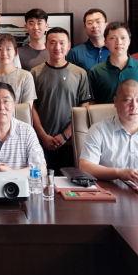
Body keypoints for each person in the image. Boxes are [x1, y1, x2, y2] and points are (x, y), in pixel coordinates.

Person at [31, 27, 92, 170]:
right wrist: (42, 135)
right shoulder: (35, 73)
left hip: (71, 141)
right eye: (52, 42)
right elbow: (31, 107)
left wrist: (65, 135)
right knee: (41, 178)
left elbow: (84, 106)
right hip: (41, 141)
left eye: (62, 43)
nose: (57, 47)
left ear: (69, 46)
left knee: (69, 180)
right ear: (46, 45)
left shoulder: (80, 73)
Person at [88, 22, 138, 123]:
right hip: (107, 128)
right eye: (113, 38)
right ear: (105, 42)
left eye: (123, 38)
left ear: (129, 41)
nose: (118, 42)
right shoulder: (96, 71)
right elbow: (91, 105)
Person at [0, 34, 37, 105]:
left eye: (8, 49)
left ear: (15, 52)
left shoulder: (26, 77)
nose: (4, 53)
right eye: (0, 49)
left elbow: (27, 107)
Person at [67, 8, 110, 73]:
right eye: (90, 23)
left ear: (106, 26)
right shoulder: (75, 53)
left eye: (98, 22)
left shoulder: (117, 49)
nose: (94, 26)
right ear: (85, 28)